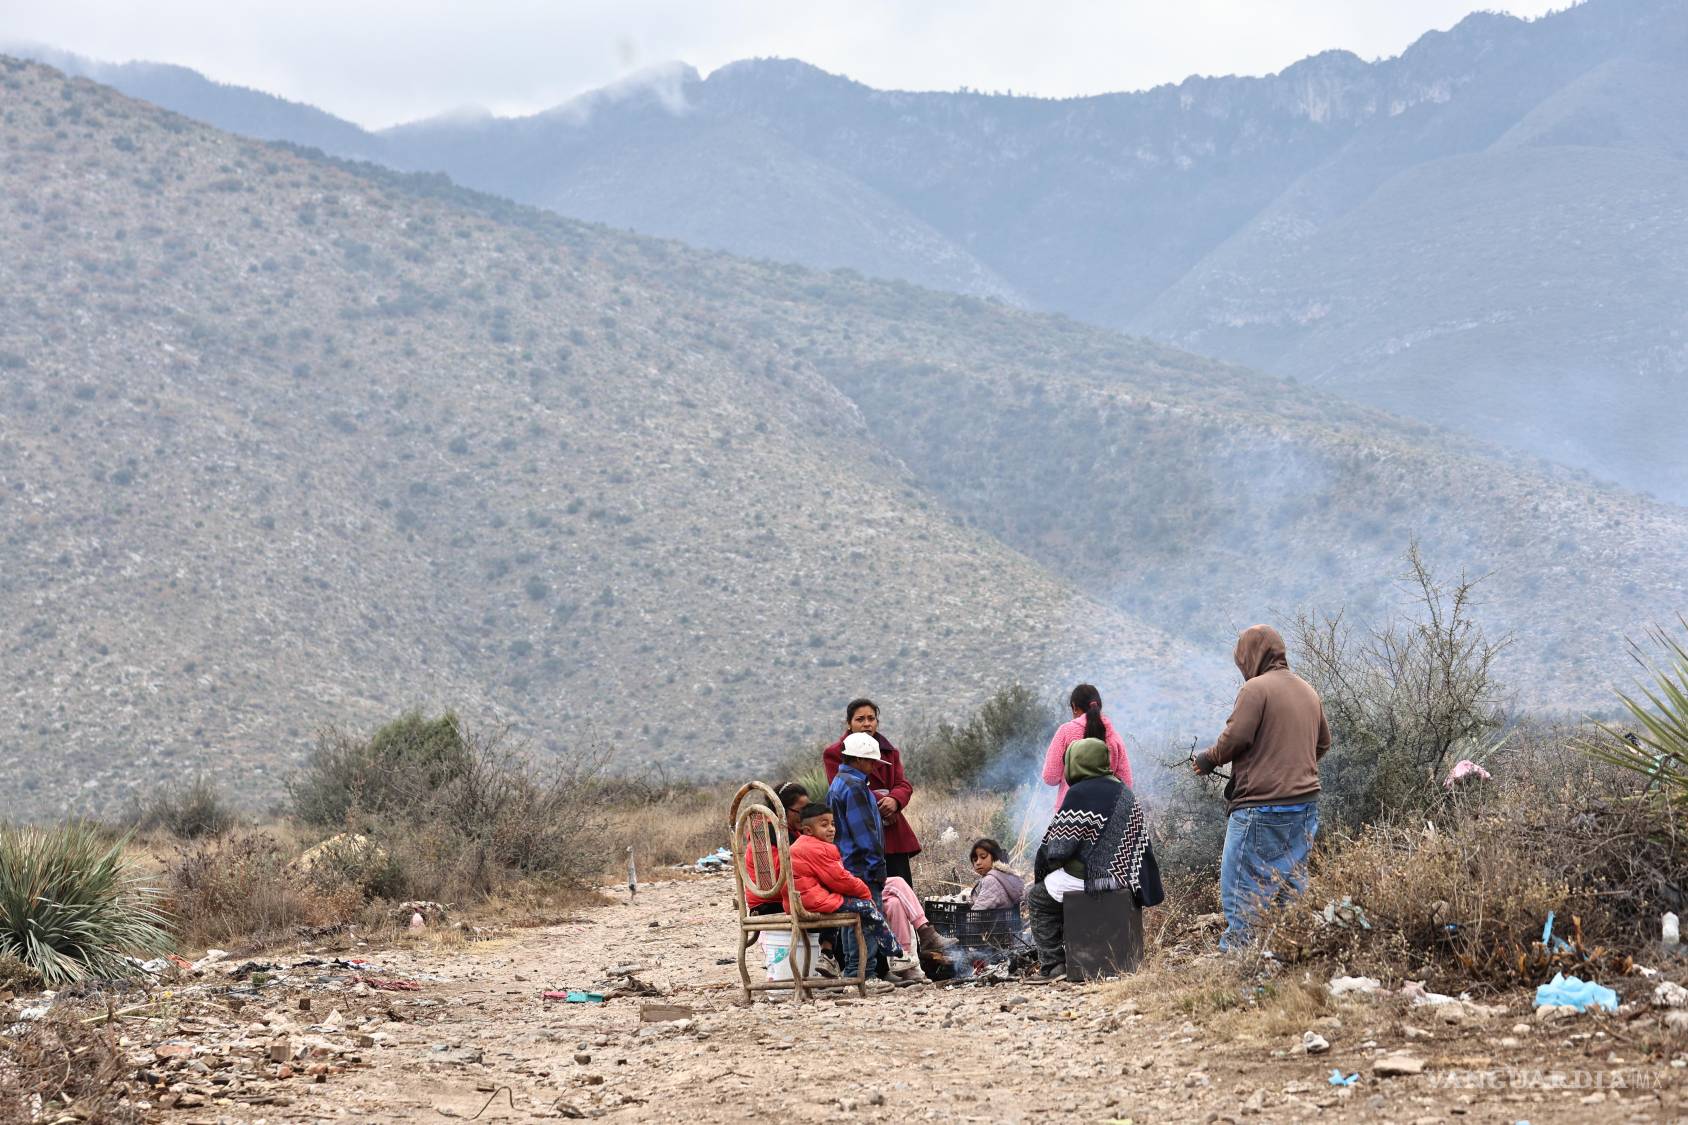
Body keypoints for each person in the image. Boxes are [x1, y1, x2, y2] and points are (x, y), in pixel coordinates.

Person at [1192, 624, 1331, 952]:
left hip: (1261, 807)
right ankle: (1289, 950)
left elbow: (1236, 737)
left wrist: (1209, 758)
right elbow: (1322, 743)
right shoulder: (1307, 690)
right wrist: (1292, 765)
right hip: (1305, 805)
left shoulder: (1256, 689)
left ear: (1250, 657)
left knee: (1240, 883)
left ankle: (1241, 958)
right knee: (1290, 882)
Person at [1029, 737, 1163, 980]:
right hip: (1125, 879)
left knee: (1038, 897)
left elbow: (1058, 847)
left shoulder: (1079, 793)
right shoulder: (1124, 791)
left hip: (1092, 879)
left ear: (1075, 762)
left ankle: (1053, 965)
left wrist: (1043, 869)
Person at [791, 804, 923, 983]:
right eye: (824, 825)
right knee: (867, 907)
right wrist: (864, 892)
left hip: (804, 900)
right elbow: (840, 879)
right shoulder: (820, 848)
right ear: (807, 830)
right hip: (814, 901)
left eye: (833, 824)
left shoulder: (801, 845)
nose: (831, 829)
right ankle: (895, 954)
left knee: (840, 903)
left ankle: (828, 956)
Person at [823, 698, 921, 889]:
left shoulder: (889, 751)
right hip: (860, 827)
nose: (867, 723)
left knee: (901, 887)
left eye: (871, 718)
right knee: (872, 887)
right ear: (849, 724)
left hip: (892, 829)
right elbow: (848, 785)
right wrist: (882, 803)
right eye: (860, 719)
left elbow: (903, 783)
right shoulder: (835, 753)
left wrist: (895, 801)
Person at [1041, 683, 1132, 804]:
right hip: (1105, 813)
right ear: (1099, 706)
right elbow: (1126, 784)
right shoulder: (1115, 737)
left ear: (1074, 707)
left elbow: (1050, 777)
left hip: (1070, 811)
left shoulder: (1066, 731)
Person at [743, 781, 810, 918]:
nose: (804, 816)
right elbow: (782, 877)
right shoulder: (767, 834)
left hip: (787, 896)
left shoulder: (792, 831)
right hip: (770, 903)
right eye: (800, 811)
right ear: (781, 809)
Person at [968, 838, 1025, 910]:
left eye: (983, 857)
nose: (978, 862)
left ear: (995, 857)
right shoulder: (1002, 876)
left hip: (991, 921)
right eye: (975, 859)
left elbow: (979, 911)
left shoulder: (990, 880)